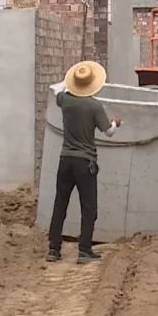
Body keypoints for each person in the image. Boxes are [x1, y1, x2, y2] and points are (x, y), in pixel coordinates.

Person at [47, 60, 122, 264]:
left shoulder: (65, 101)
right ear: (93, 84)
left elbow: (58, 89)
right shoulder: (94, 106)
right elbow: (109, 132)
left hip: (65, 160)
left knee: (60, 204)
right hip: (85, 163)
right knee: (88, 207)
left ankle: (53, 250)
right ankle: (84, 250)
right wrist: (116, 122)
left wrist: (70, 77)